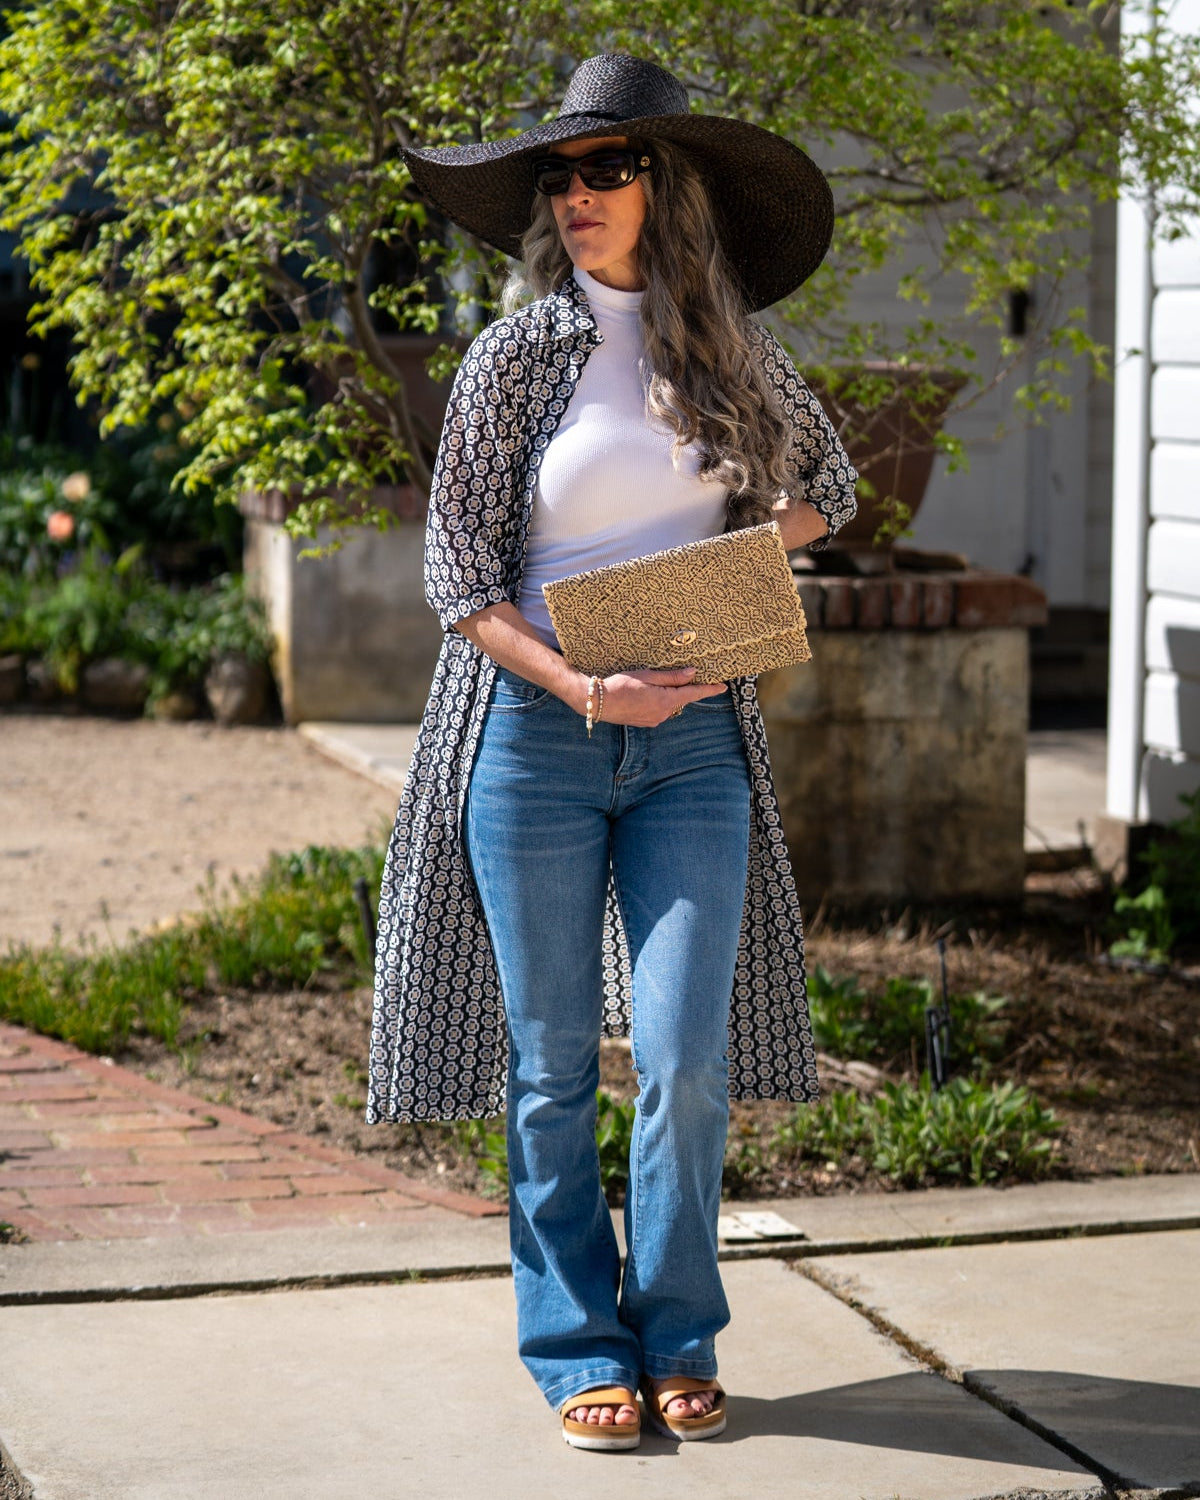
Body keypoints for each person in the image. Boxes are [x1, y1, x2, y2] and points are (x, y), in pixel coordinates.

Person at [367, 52, 857, 1451]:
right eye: (561, 178)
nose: (577, 196)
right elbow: (458, 583)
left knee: (688, 1052)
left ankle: (682, 1328)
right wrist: (587, 684)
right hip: (535, 739)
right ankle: (577, 1338)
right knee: (550, 1068)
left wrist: (729, 577)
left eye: (607, 170)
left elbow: (829, 487)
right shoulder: (511, 358)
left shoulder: (735, 349)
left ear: (669, 189)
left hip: (698, 743)